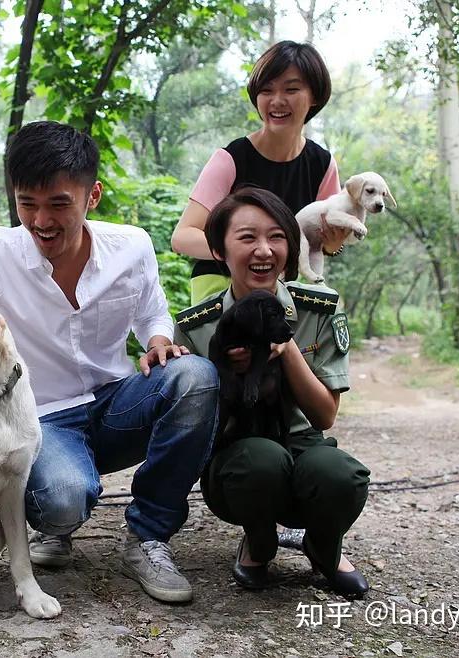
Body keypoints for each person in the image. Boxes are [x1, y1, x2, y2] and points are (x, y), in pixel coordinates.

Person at [0, 120, 219, 604]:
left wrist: (159, 338)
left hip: (116, 403)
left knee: (196, 377)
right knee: (61, 500)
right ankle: (54, 518)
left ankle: (149, 536)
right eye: (27, 204)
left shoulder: (132, 246)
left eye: (59, 203)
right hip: (40, 419)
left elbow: (151, 311)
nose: (41, 220)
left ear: (92, 195)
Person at [174, 187, 370, 599]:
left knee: (339, 475)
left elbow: (324, 417)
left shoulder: (318, 309)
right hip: (240, 451)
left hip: (301, 441)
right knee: (260, 462)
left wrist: (285, 348)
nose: (263, 250)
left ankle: (324, 544)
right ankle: (259, 540)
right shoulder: (198, 326)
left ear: (292, 245)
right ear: (218, 249)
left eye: (277, 237)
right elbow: (199, 422)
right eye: (247, 238)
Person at [171, 40, 344, 305]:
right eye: (267, 90)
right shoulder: (230, 159)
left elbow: (319, 242)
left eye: (291, 89)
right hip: (220, 290)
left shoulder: (322, 165)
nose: (277, 101)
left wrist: (332, 245)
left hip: (282, 294)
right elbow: (183, 237)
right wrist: (242, 251)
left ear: (315, 96)